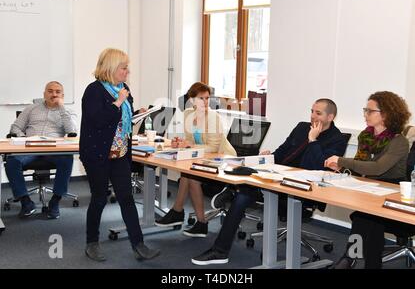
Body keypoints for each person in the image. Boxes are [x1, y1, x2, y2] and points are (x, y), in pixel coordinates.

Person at [191, 98, 348, 265]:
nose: (313, 116)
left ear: (330, 117)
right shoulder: (302, 127)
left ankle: (230, 198)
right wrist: (267, 157)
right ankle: (221, 248)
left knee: (243, 195)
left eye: (318, 113)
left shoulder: (336, 139)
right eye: (311, 111)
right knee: (244, 184)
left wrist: (313, 141)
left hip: (304, 188)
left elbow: (318, 167)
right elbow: (283, 152)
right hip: (278, 178)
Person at [80, 48, 160, 262]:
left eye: (127, 68)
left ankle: (139, 245)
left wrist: (137, 113)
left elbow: (121, 121)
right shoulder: (94, 91)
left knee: (126, 198)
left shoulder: (123, 89)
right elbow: (98, 121)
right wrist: (118, 103)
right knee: (99, 198)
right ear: (111, 68)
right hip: (97, 154)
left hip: (120, 153)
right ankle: (92, 242)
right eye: (124, 68)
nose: (127, 72)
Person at [325, 91, 412, 269]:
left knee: (367, 217)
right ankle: (360, 262)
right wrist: (342, 169)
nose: (365, 115)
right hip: (372, 189)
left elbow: (378, 168)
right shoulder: (366, 137)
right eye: (365, 110)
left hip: (395, 194)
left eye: (370, 111)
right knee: (370, 217)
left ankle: (349, 259)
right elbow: (361, 165)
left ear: (386, 114)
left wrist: (341, 160)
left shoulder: (399, 141)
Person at [155, 82, 236, 237]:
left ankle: (196, 220)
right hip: (203, 157)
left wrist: (190, 146)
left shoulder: (213, 117)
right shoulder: (187, 114)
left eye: (207, 98)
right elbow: (191, 140)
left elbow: (213, 147)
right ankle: (182, 215)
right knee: (187, 173)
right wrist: (180, 143)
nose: (205, 102)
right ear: (191, 100)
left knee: (190, 176)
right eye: (201, 98)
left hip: (223, 159)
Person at [5, 81, 77, 219]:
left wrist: (61, 108)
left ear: (63, 95)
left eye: (57, 92)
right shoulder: (31, 109)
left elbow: (72, 131)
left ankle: (55, 202)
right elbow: (15, 128)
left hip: (54, 150)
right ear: (44, 93)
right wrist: (24, 138)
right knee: (12, 161)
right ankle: (26, 202)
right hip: (30, 148)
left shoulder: (68, 112)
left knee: (67, 159)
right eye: (50, 91)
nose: (54, 94)